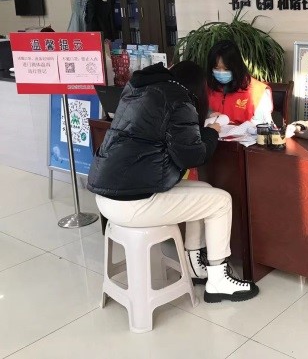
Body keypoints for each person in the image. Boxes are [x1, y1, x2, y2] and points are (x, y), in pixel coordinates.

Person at [87, 60, 259, 303]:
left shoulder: (138, 89)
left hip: (107, 196)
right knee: (221, 201)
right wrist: (214, 129)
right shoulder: (179, 99)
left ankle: (194, 264)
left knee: (205, 191)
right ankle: (219, 280)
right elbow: (193, 156)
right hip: (133, 202)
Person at [206, 40, 273, 125]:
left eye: (226, 69)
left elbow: (263, 127)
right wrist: (209, 114)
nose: (221, 72)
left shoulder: (258, 92)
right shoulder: (206, 87)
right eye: (216, 68)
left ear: (237, 67)